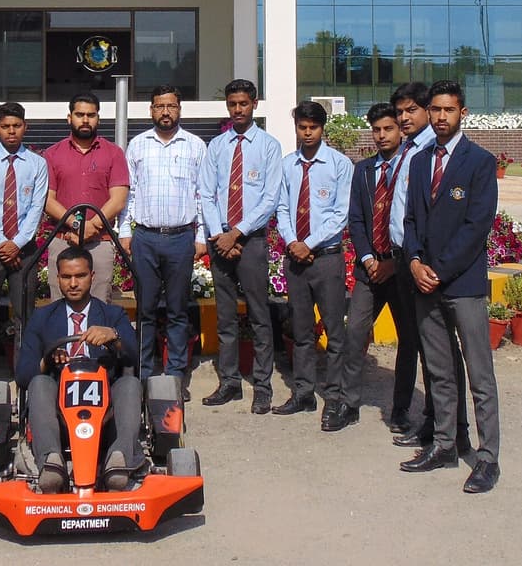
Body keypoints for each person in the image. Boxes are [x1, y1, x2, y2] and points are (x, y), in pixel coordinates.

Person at [400, 81, 502, 495]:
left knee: (479, 375)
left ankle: (487, 458)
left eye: (449, 110)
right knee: (439, 372)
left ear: (463, 113)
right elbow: (410, 220)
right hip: (425, 284)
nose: (442, 117)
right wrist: (414, 261)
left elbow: (477, 226)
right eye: (436, 110)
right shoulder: (420, 161)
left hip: (463, 285)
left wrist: (438, 271)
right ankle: (444, 444)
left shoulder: (479, 162)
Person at [14, 245, 142, 493]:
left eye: (80, 276)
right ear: (57, 279)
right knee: (39, 382)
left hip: (105, 413)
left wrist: (114, 337)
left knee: (130, 383)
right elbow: (23, 375)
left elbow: (135, 360)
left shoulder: (112, 315)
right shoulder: (42, 317)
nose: (73, 283)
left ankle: (119, 459)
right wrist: (47, 360)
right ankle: (51, 462)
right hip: (58, 412)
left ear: (92, 276)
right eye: (66, 277)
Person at [199, 78, 286, 414]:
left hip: (251, 240)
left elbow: (270, 198)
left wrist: (236, 233)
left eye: (243, 104)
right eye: (232, 104)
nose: (238, 109)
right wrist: (220, 234)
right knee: (225, 318)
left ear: (254, 104)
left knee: (259, 315)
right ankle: (230, 382)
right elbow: (207, 193)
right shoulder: (217, 146)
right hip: (220, 241)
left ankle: (262, 386)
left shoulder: (269, 146)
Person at [389, 81, 468, 450]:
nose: (404, 118)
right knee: (423, 347)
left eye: (412, 110)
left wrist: (423, 262)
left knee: (440, 353)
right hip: (407, 260)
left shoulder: (432, 152)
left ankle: (450, 429)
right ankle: (434, 422)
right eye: (400, 112)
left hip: (428, 266)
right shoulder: (409, 150)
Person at [123, 84, 206, 396]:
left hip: (180, 238)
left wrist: (201, 236)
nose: (166, 112)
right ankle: (143, 375)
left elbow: (202, 195)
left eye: (171, 106)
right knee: (145, 311)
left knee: (177, 311)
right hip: (145, 238)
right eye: (160, 106)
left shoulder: (195, 146)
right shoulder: (138, 145)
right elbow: (129, 193)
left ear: (179, 109)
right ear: (151, 110)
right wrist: (125, 231)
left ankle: (174, 377)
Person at [276, 100, 353, 430]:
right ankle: (304, 392)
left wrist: (309, 244)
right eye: (302, 127)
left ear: (323, 128)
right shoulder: (287, 165)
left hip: (326, 258)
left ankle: (334, 397)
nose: (307, 133)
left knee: (334, 331)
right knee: (302, 330)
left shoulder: (339, 164)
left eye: (313, 127)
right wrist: (293, 242)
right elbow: (281, 207)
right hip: (296, 259)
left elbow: (340, 213)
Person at [343, 102, 416, 434]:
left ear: (400, 129)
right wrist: (368, 258)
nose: (382, 135)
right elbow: (356, 219)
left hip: (401, 271)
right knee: (355, 333)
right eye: (376, 130)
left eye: (388, 128)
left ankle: (400, 409)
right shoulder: (363, 170)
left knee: (409, 340)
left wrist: (393, 263)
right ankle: (348, 403)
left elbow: (414, 220)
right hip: (370, 271)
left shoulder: (413, 167)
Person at [0, 101, 49, 383]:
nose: (11, 131)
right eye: (5, 126)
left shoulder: (38, 164)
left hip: (24, 248)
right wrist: (3, 243)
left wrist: (17, 242)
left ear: (25, 127)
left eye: (16, 126)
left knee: (24, 317)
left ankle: (24, 378)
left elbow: (37, 207)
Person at [42, 92, 130, 302]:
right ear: (69, 117)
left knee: (99, 305)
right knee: (60, 306)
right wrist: (78, 225)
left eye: (91, 115)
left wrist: (91, 228)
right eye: (79, 114)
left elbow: (118, 199)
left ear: (98, 118)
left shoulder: (114, 153)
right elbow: (47, 200)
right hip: (63, 240)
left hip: (100, 241)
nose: (85, 120)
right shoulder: (52, 154)